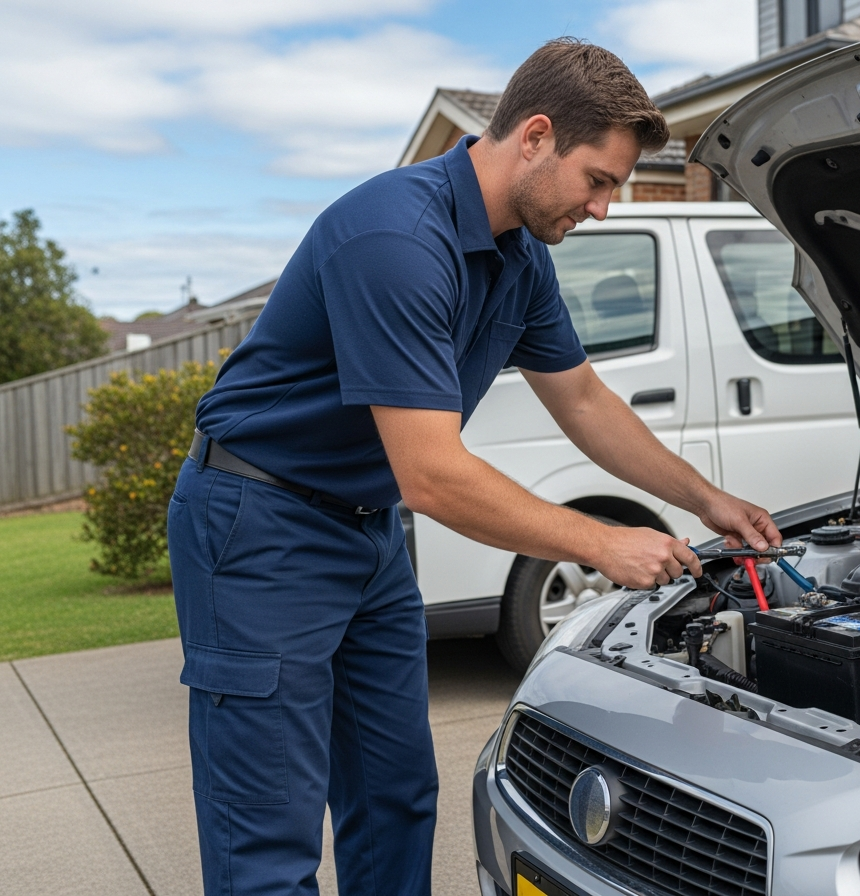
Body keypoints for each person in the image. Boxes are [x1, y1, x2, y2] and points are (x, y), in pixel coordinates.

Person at [167, 38, 781, 896]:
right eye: (599, 181)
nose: (603, 209)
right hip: (259, 525)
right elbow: (432, 474)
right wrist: (603, 542)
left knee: (393, 795)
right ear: (535, 137)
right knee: (267, 831)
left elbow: (584, 402)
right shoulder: (395, 237)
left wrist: (706, 499)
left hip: (365, 528)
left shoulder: (520, 258)